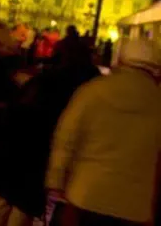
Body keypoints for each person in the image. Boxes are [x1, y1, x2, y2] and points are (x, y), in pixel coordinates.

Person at [46, 38, 161, 226]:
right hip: (135, 206)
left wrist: (56, 182)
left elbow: (65, 139)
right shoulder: (158, 103)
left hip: (86, 194)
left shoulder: (92, 91)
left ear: (120, 60)